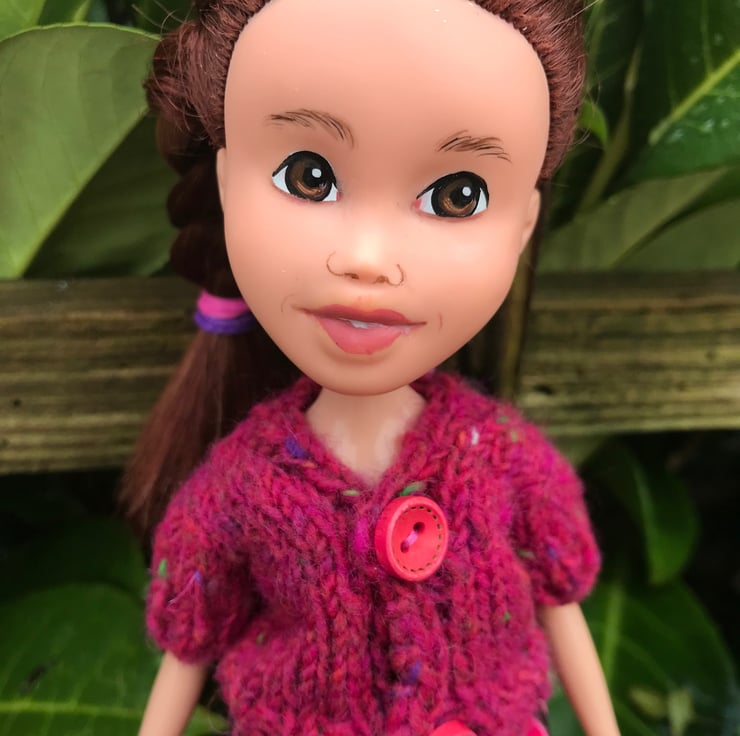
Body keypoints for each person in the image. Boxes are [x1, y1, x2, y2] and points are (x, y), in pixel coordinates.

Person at [121, 0, 621, 734]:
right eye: (308, 176)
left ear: (524, 225)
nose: (366, 258)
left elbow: (561, 603)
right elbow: (187, 648)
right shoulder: (243, 488)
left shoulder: (500, 456)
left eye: (457, 196)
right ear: (226, 185)